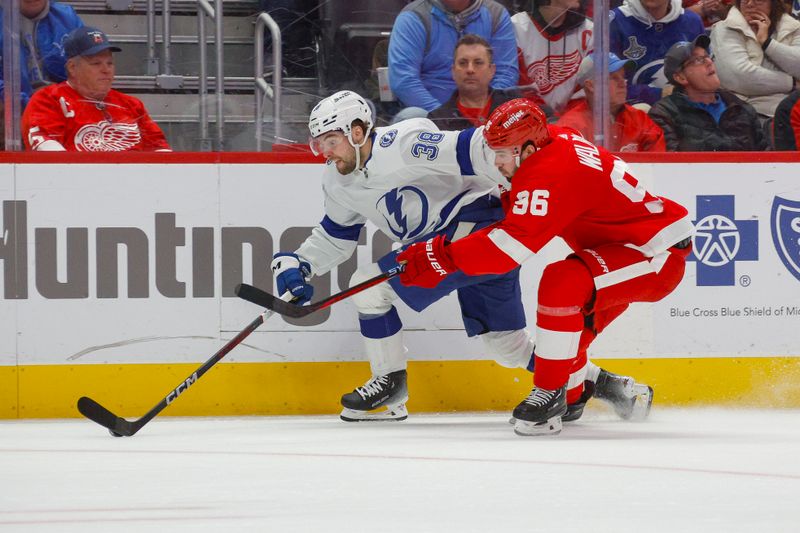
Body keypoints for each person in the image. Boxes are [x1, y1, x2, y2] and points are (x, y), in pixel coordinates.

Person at [272, 89, 651, 423]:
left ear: (357, 132)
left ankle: (389, 385)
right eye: (319, 142)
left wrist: (529, 179)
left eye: (332, 140)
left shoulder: (405, 144)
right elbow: (336, 235)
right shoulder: (337, 180)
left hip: (477, 224)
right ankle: (612, 388)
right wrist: (300, 264)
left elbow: (479, 147)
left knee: (368, 287)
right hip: (461, 241)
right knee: (507, 346)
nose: (324, 151)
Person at [395, 98, 694, 436]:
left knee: (562, 281)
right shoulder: (549, 144)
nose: (498, 162)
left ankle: (550, 393)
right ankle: (581, 394)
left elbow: (508, 250)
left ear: (528, 147)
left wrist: (439, 257)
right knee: (566, 336)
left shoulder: (550, 171)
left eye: (504, 152)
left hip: (655, 254)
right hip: (618, 250)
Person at [22, 27, 171, 151]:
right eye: (96, 63)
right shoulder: (49, 99)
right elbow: (45, 147)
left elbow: (159, 149)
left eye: (110, 63)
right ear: (72, 67)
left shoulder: (131, 104)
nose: (106, 70)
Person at [388, 0, 519, 113]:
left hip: (486, 115)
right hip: (430, 117)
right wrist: (443, 117)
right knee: (412, 114)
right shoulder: (413, 17)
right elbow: (403, 80)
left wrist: (488, 114)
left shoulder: (496, 14)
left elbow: (506, 73)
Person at [648, 36, 769, 150]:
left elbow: (766, 157)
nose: (709, 62)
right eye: (698, 60)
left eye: (708, 57)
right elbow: (668, 165)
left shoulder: (740, 107)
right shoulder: (665, 114)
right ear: (681, 77)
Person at [557, 53, 666, 152]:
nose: (622, 83)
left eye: (623, 77)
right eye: (613, 78)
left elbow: (659, 166)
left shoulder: (640, 120)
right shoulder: (571, 127)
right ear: (591, 85)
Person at [709, 0, 800, 119]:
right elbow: (738, 76)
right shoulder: (724, 28)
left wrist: (767, 44)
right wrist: (791, 83)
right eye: (744, 0)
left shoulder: (794, 27)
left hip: (794, 109)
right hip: (753, 114)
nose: (750, 4)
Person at [610, 0, 705, 106]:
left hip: (685, 108)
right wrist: (657, 94)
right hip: (630, 111)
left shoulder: (692, 21)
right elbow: (606, 85)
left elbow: (703, 73)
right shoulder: (614, 21)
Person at [511, 0, 593, 117]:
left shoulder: (590, 32)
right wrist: (550, 120)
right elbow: (523, 91)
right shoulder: (516, 29)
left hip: (575, 124)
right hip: (532, 121)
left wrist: (567, 123)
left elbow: (587, 90)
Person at [0, 0, 84, 109]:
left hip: (62, 105)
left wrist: (63, 99)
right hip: (14, 109)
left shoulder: (67, 17)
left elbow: (86, 66)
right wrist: (28, 103)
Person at [428, 34, 520, 129]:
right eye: (463, 63)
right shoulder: (437, 121)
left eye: (478, 63)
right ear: (453, 71)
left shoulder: (515, 106)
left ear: (492, 70)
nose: (470, 69)